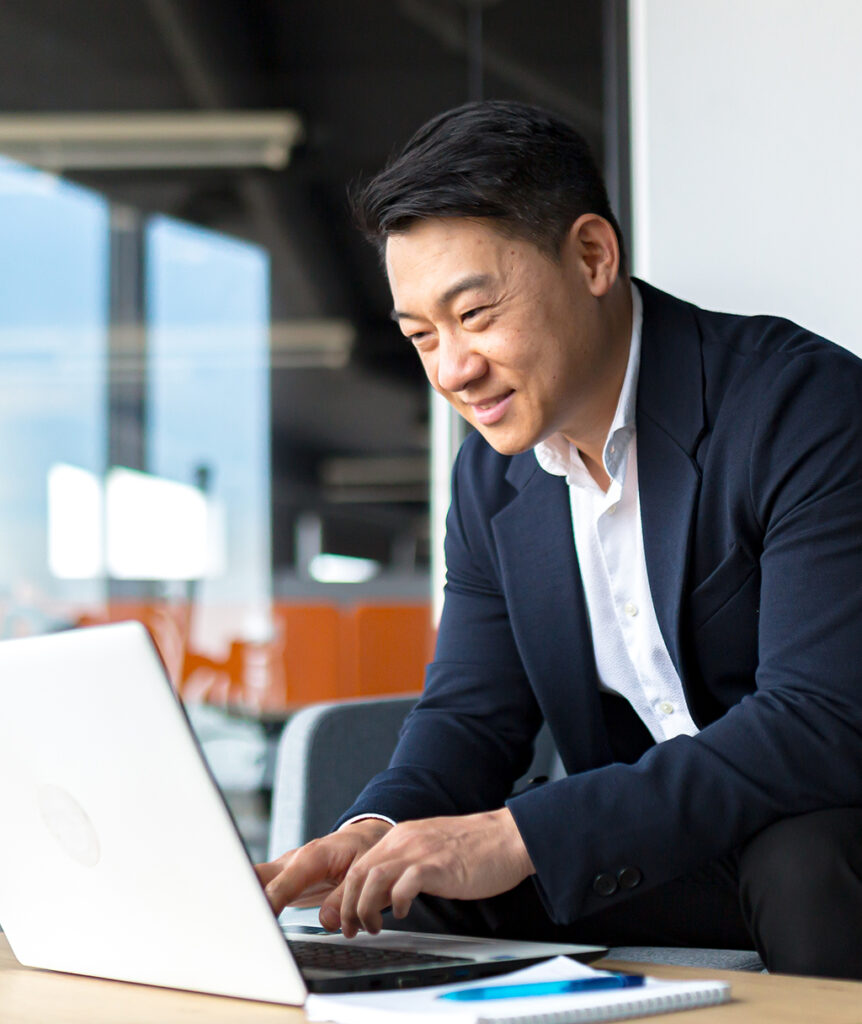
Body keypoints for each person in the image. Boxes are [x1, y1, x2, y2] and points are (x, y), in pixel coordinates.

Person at [256, 100, 862, 980]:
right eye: (421, 336)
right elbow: (471, 715)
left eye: (475, 314)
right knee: (405, 885)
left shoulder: (802, 407)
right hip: (660, 845)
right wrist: (370, 836)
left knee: (804, 865)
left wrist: (520, 834)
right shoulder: (489, 479)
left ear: (591, 256)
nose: (452, 370)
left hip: (817, 828)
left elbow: (820, 723)